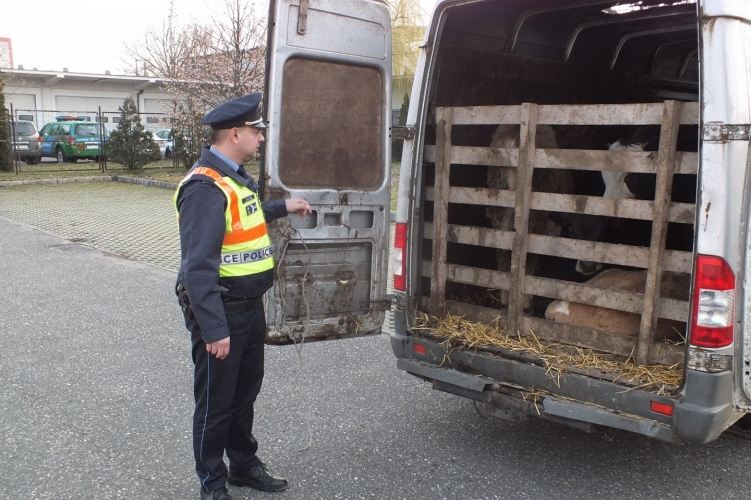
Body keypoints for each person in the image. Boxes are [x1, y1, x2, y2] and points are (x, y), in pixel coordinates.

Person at [174, 92, 311, 500]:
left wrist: (283, 206)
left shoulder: (234, 179)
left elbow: (246, 217)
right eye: (257, 130)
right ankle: (212, 483)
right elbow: (198, 269)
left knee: (243, 397)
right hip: (223, 314)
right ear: (235, 134)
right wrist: (214, 329)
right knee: (216, 405)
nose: (261, 138)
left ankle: (243, 465)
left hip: (249, 311)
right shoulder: (205, 187)